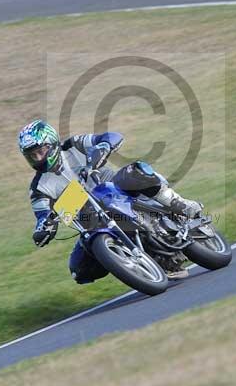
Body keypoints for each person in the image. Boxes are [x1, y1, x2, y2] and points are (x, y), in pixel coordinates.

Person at [18, 119, 202, 282]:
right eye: (32, 156)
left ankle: (179, 204)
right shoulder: (38, 187)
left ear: (52, 143)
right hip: (88, 219)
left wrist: (102, 148)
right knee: (79, 270)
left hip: (113, 188)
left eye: (40, 151)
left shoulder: (73, 145)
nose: (38, 158)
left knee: (135, 171)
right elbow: (42, 215)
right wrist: (43, 228)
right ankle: (143, 263)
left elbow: (112, 136)